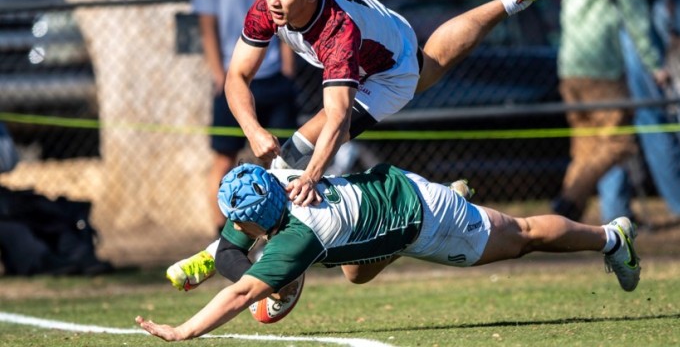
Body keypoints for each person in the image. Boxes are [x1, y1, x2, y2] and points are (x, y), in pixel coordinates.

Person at [136, 162, 641, 341]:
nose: (228, 219)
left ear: (261, 215)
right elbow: (230, 247)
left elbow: (241, 293)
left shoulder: (298, 237)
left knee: (523, 236)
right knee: (355, 273)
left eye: (235, 212)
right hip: (386, 201)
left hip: (425, 217)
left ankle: (612, 237)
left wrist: (183, 331)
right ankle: (442, 203)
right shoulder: (280, 180)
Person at [225, 0, 561, 207]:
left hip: (389, 73)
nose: (272, 0)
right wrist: (252, 130)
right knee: (434, 63)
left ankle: (228, 253)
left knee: (292, 160)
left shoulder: (336, 33)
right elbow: (236, 75)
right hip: (384, 31)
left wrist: (311, 177)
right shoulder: (267, 7)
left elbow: (338, 119)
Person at [551, 0, 669, 222]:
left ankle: (569, 213)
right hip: (601, 67)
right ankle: (568, 200)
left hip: (570, 64)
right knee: (620, 142)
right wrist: (654, 65)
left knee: (586, 147)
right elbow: (636, 16)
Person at [193, 0, 299, 231]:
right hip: (234, 79)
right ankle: (221, 230)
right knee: (224, 157)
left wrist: (288, 69)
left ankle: (278, 225)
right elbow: (207, 28)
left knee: (282, 157)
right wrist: (220, 75)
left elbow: (286, 20)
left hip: (274, 79)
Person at [596, 0, 680, 224]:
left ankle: (614, 211)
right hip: (635, 27)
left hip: (603, 49)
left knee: (628, 122)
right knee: (647, 117)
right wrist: (656, 66)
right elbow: (636, 20)